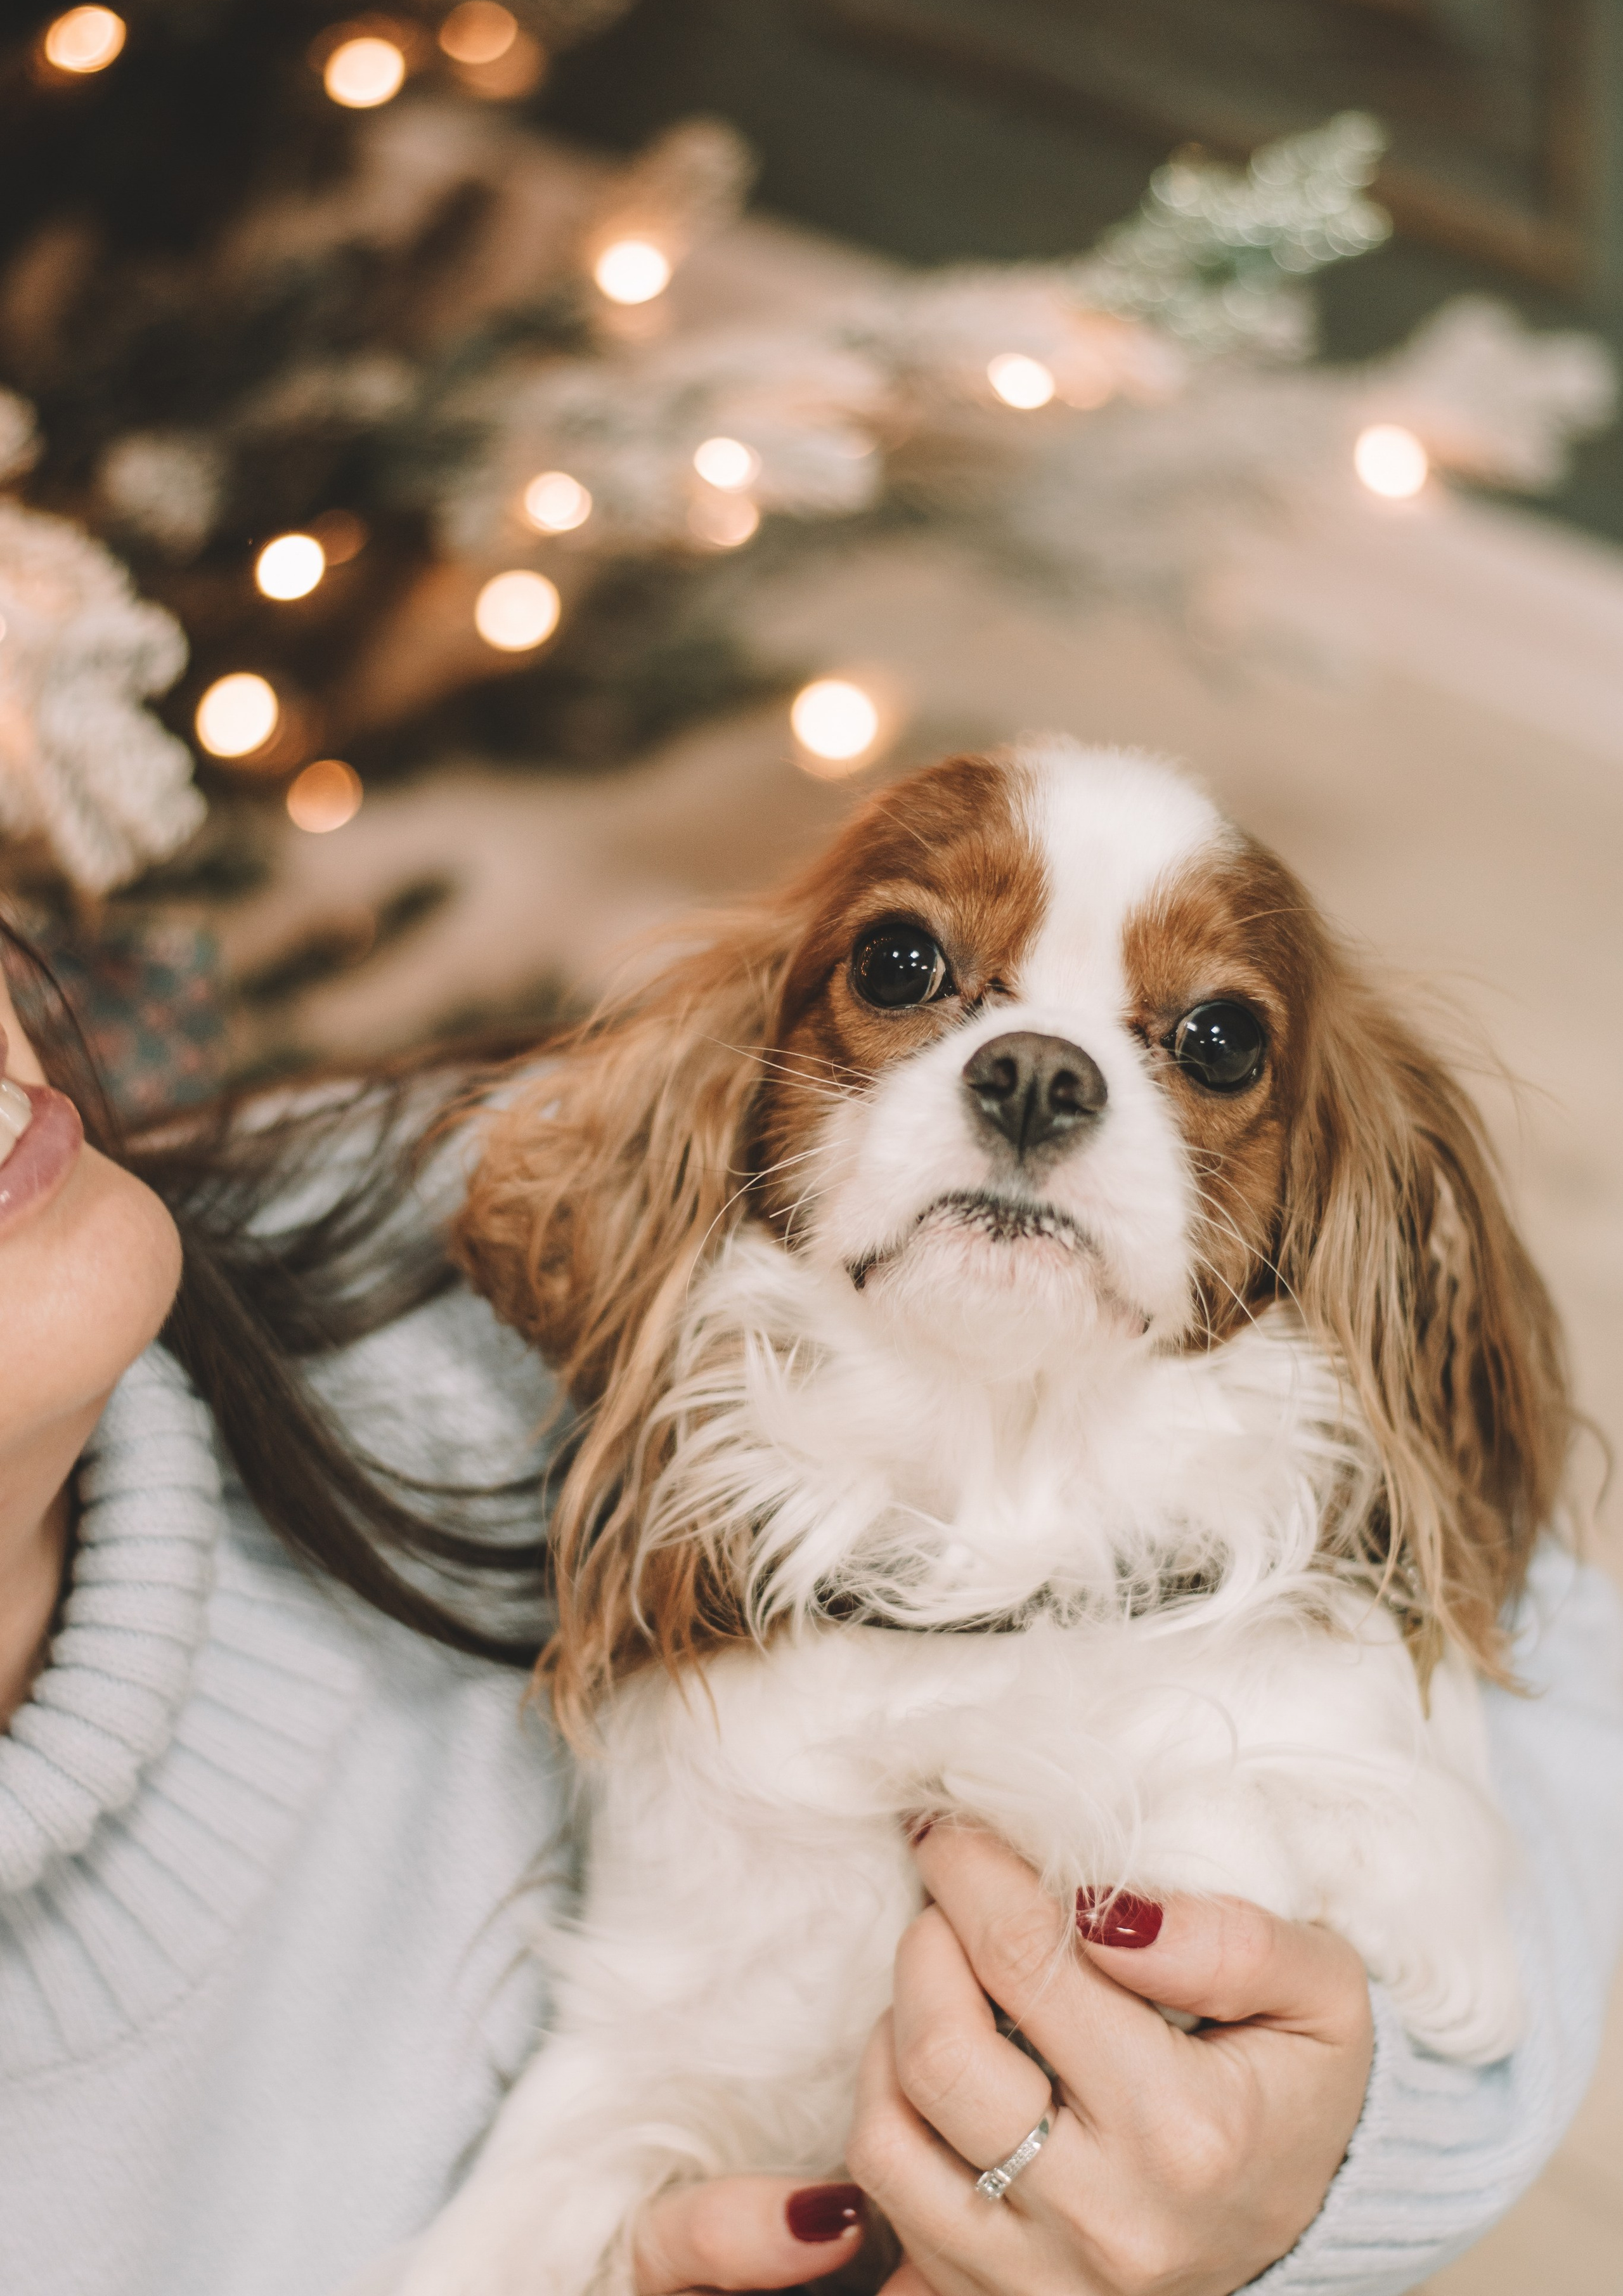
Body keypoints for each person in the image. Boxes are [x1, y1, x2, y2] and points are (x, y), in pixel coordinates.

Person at [1, 923, 1620, 2296]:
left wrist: (1336, 2149)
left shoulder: (405, 1219)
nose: (1036, 1071)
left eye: (1208, 1041)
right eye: (910, 971)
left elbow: (1538, 1612)